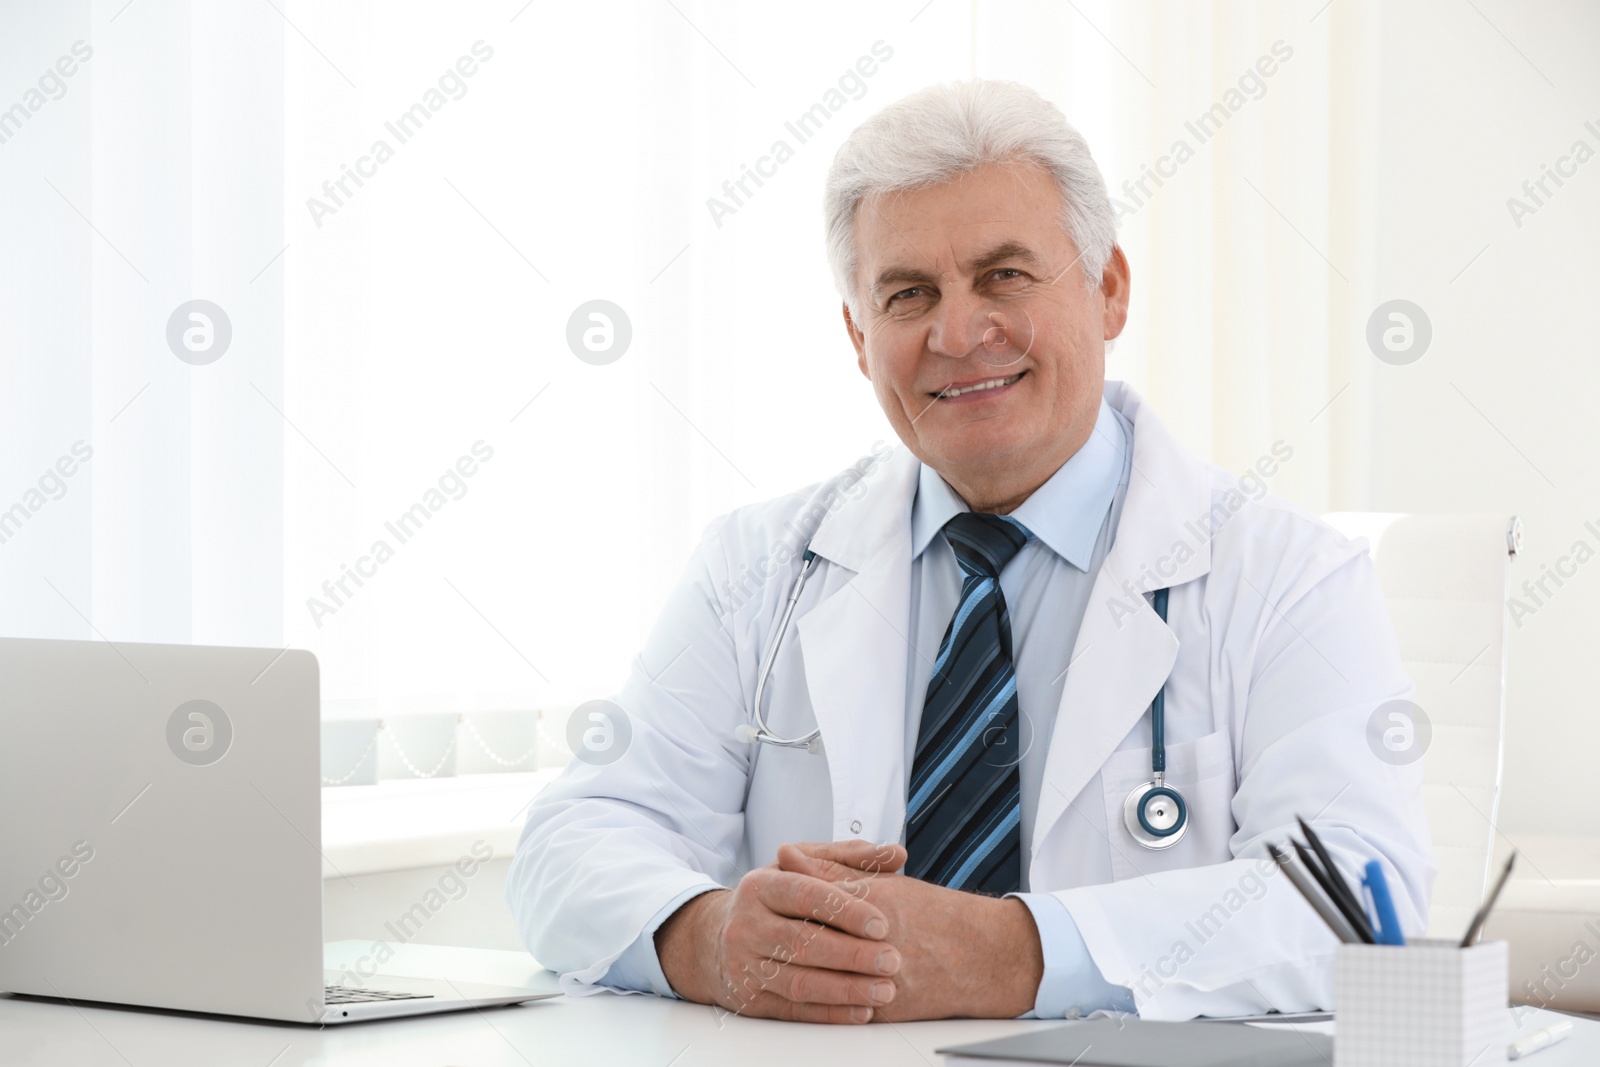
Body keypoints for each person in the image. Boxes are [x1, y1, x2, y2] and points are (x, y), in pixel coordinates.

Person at [506, 79, 1434, 1023]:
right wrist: (704, 935)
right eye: (909, 295)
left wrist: (1011, 953)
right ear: (859, 337)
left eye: (1005, 277)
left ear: (1109, 289)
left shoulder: (1286, 576)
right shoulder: (759, 567)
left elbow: (1357, 900)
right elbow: (570, 841)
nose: (958, 333)